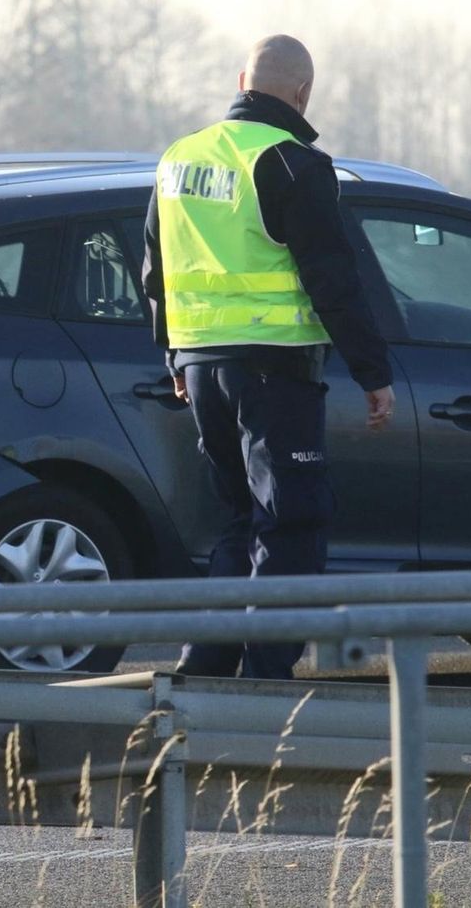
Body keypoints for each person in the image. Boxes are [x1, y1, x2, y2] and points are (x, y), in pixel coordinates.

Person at [141, 34, 395, 680]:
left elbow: (154, 273)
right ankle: (265, 686)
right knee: (293, 520)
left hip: (201, 368)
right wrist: (373, 373)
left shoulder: (178, 160)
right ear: (303, 92)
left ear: (241, 80)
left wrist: (174, 357)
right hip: (273, 371)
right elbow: (333, 280)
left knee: (240, 521)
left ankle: (205, 671)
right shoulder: (291, 165)